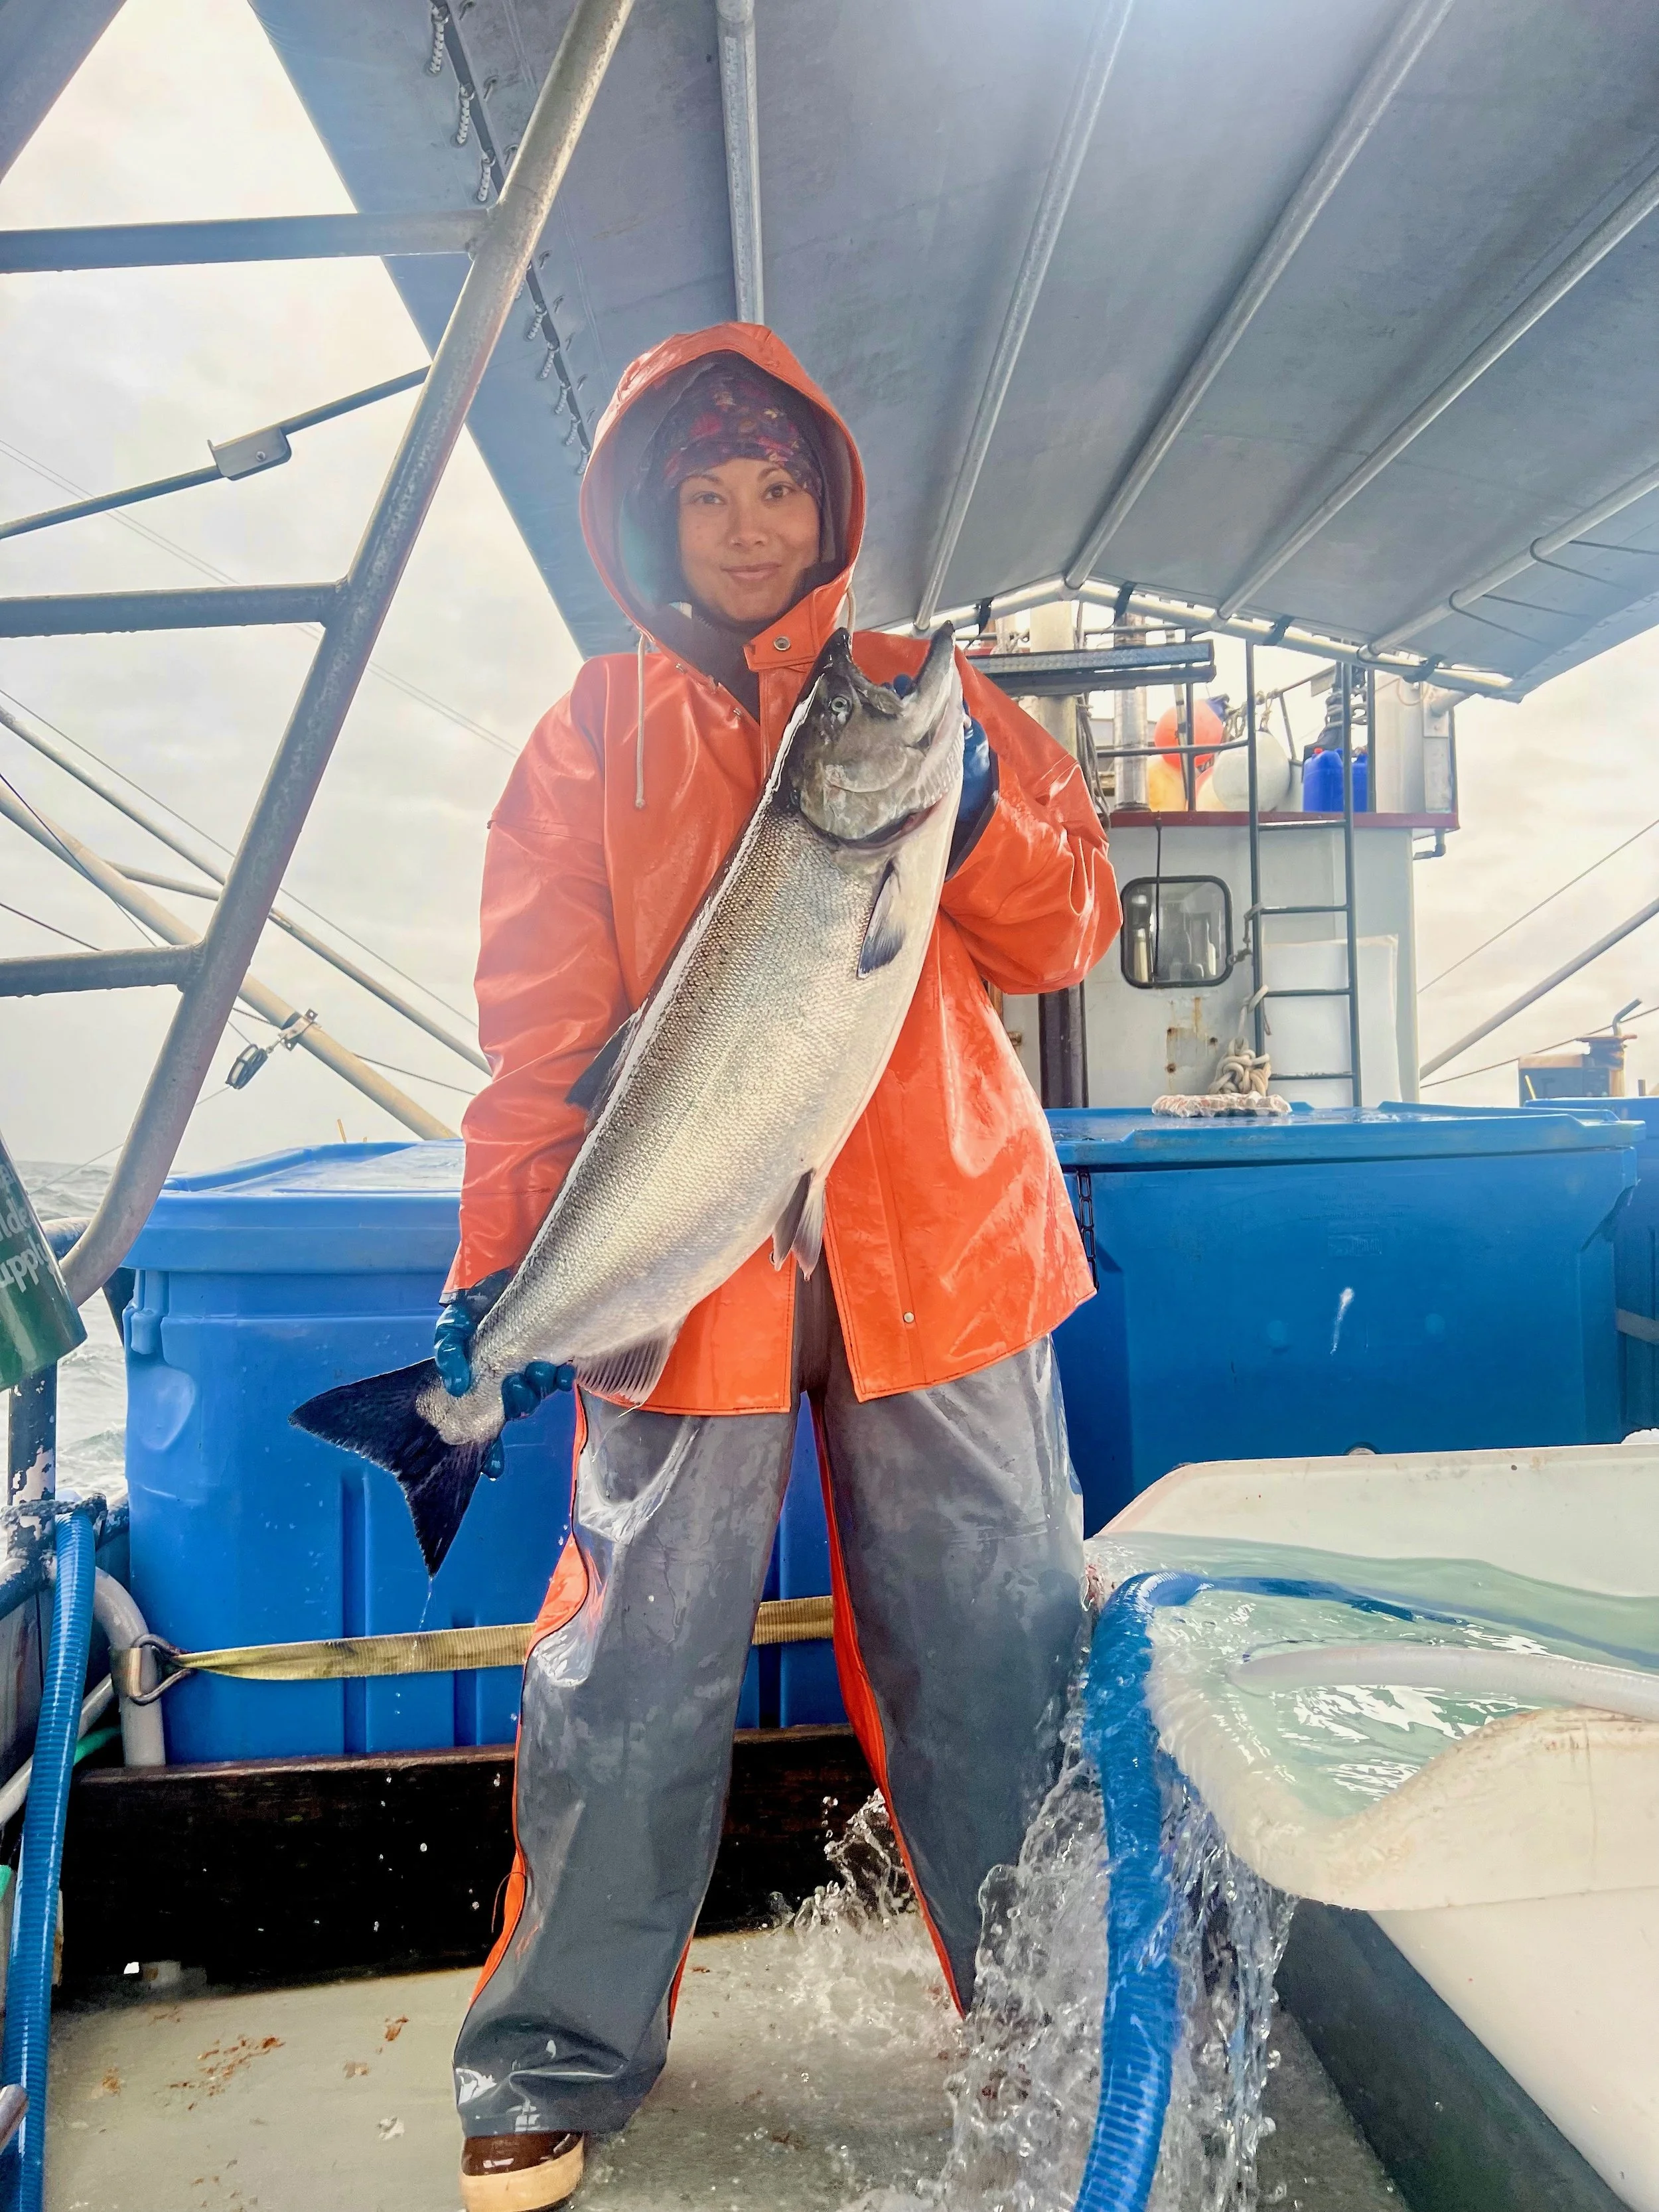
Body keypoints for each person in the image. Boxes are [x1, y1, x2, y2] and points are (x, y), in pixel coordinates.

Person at [441, 322, 1120, 2211]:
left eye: (776, 488)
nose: (747, 524)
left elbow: (1067, 928)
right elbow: (538, 1039)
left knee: (999, 1651)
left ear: (828, 501)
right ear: (655, 518)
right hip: (686, 1250)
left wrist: (973, 809)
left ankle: (1049, 2012)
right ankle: (550, 2056)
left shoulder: (921, 696)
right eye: (707, 492)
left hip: (950, 1242)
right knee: (626, 1668)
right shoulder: (586, 732)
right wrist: (494, 1277)